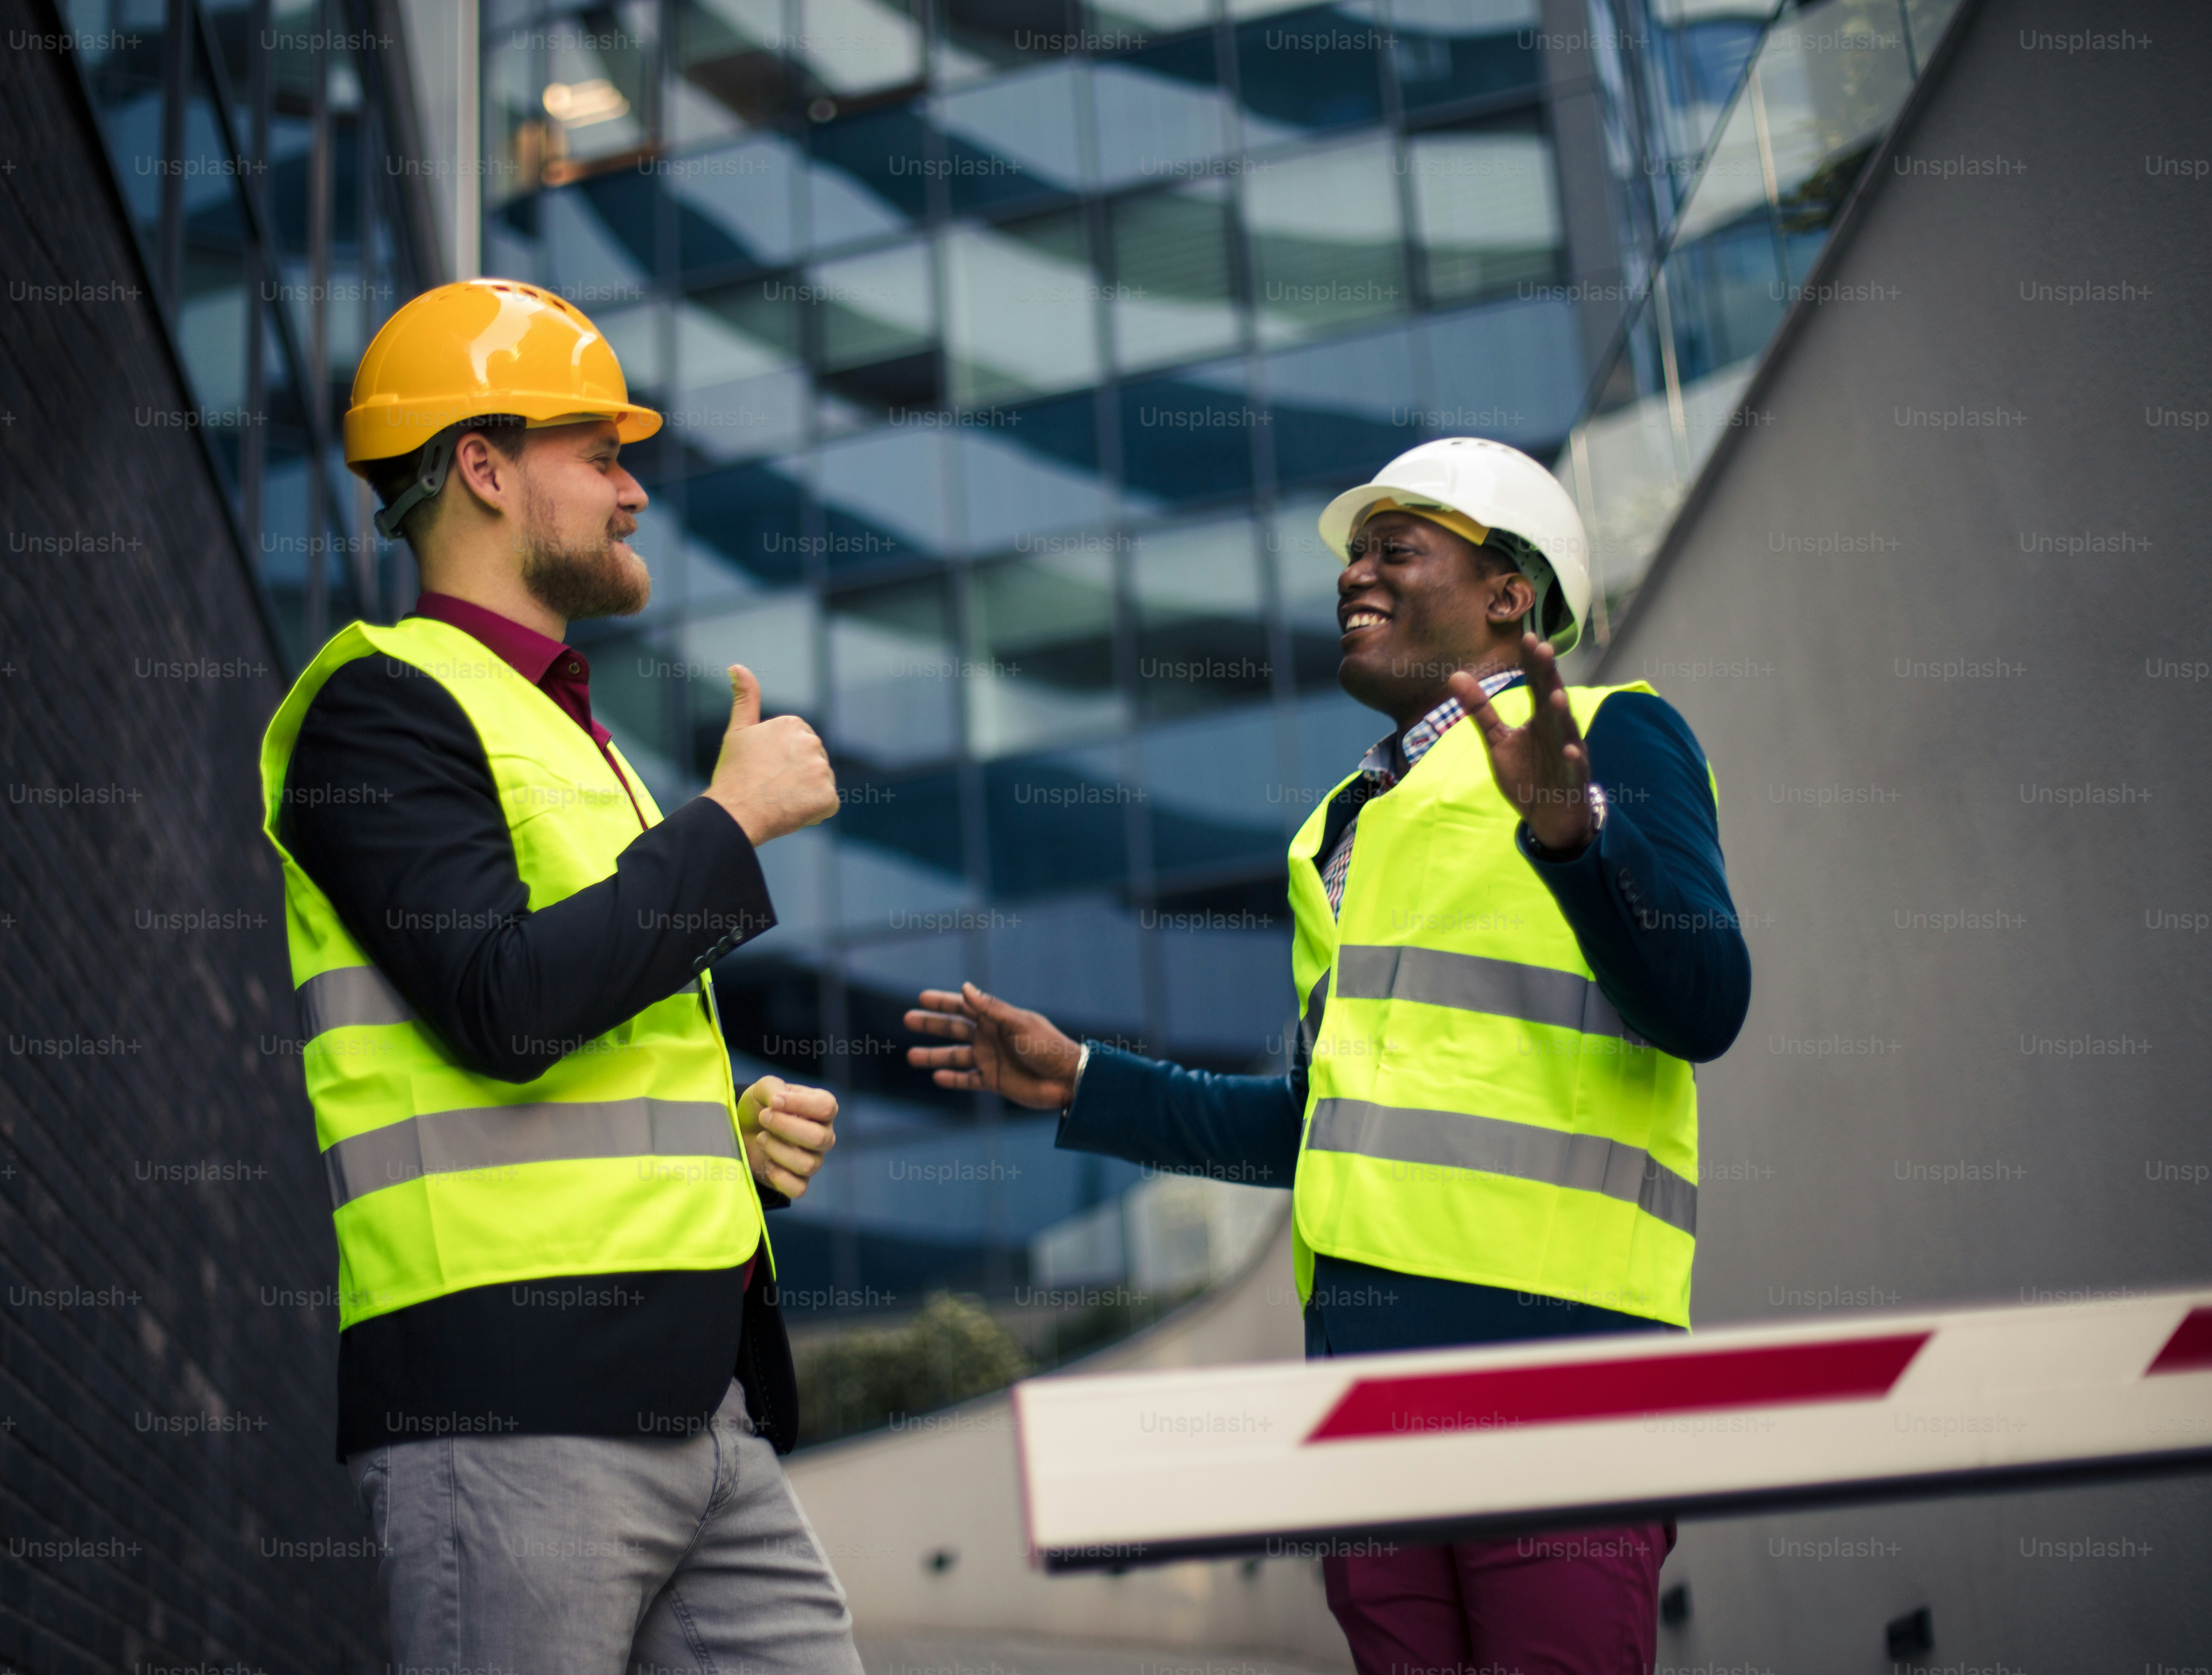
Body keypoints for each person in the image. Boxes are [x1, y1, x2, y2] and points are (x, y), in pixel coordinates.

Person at [905, 437, 1749, 1673]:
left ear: (1507, 592)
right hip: (1361, 1392)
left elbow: (1703, 1002)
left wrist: (1574, 841)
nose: (1353, 575)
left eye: (1393, 549)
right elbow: (1324, 1128)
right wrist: (1090, 1082)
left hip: (1560, 1370)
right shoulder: (1339, 833)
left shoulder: (1617, 738)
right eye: (1353, 554)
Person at [259, 279, 861, 1673]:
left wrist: (729, 1144)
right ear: (482, 464)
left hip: (697, 1406)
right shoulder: (379, 707)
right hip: (507, 1411)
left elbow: (587, 1029)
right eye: (598, 452)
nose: (633, 490)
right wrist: (732, 823)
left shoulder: (576, 742)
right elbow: (505, 1003)